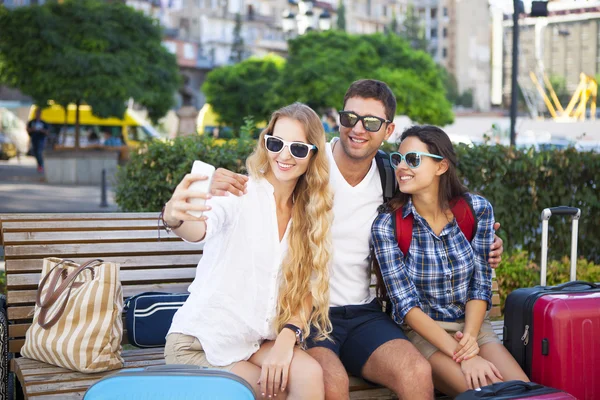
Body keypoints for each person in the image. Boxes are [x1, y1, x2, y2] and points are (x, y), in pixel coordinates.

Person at [210, 79, 505, 399]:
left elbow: (436, 215)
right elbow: (260, 188)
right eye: (350, 118)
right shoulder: (306, 161)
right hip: (308, 315)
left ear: (388, 131)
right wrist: (214, 184)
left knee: (415, 371)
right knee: (331, 383)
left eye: (372, 122)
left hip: (365, 312)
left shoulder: (391, 177)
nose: (358, 129)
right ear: (340, 119)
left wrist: (485, 246)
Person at [162, 103, 333, 399]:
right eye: (276, 143)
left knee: (310, 374)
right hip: (198, 344)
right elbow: (198, 228)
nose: (284, 155)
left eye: (298, 148)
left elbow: (309, 286)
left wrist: (286, 338)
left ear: (313, 154)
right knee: (273, 393)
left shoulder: (309, 214)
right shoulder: (238, 193)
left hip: (250, 344)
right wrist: (175, 216)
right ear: (266, 143)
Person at [371, 125, 528, 397]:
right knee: (487, 394)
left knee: (525, 393)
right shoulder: (387, 225)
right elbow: (406, 307)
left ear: (441, 166)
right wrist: (464, 355)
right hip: (424, 335)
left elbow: (480, 285)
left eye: (413, 159)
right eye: (398, 159)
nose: (401, 167)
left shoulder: (476, 209)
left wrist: (470, 339)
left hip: (474, 326)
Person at [26, 108, 50, 173]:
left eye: (38, 113)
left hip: (41, 139)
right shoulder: (32, 122)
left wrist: (42, 130)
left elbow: (47, 132)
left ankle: (41, 165)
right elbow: (27, 129)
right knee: (35, 152)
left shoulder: (43, 122)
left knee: (39, 152)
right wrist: (32, 129)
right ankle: (39, 165)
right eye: (36, 113)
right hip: (34, 139)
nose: (37, 114)